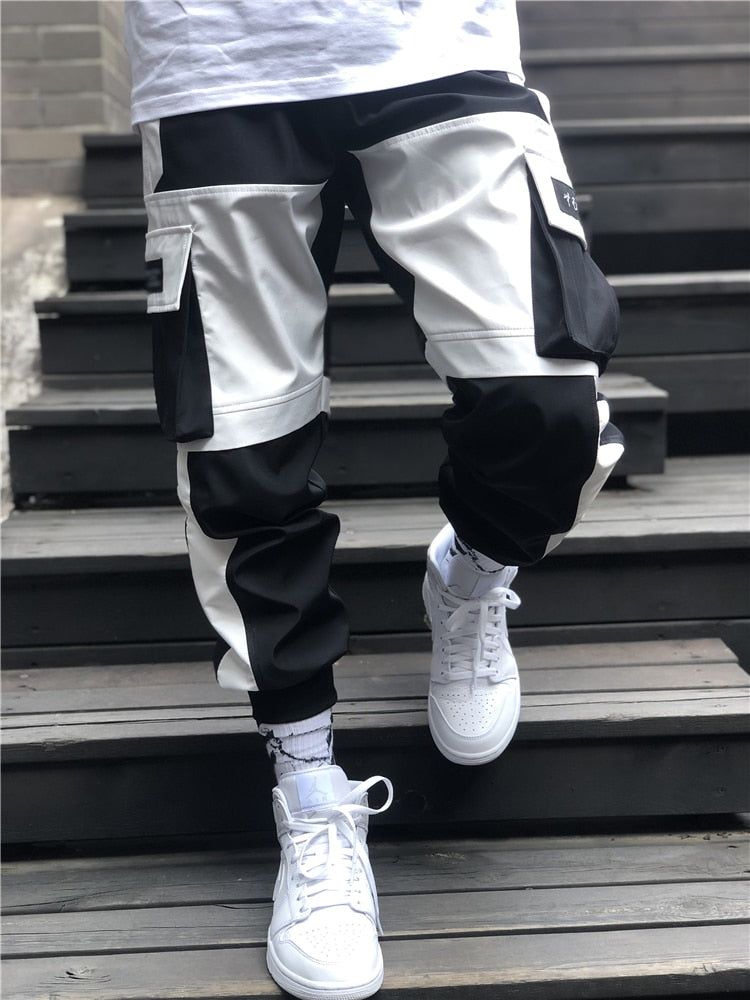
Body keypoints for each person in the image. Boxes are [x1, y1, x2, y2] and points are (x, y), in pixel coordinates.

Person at [124, 3, 624, 997]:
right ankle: (309, 786)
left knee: (547, 397)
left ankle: (470, 573)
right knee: (242, 450)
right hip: (218, 54)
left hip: (439, 40)